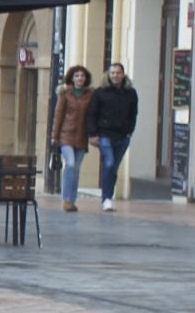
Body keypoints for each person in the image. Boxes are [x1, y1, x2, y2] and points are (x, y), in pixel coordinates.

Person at [87, 62, 137, 212]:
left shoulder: (131, 93)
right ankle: (106, 199)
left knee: (114, 167)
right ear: (108, 75)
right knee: (109, 163)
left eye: (118, 72)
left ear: (123, 74)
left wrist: (130, 131)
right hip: (104, 134)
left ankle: (108, 196)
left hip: (123, 135)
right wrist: (92, 133)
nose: (115, 75)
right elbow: (92, 114)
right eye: (113, 72)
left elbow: (134, 113)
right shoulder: (100, 92)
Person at [50, 66, 95, 212]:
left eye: (82, 76)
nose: (80, 78)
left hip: (82, 136)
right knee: (70, 164)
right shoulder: (65, 94)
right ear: (72, 78)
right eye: (77, 76)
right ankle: (67, 199)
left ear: (86, 78)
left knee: (76, 169)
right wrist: (54, 136)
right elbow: (58, 115)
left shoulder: (90, 95)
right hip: (66, 135)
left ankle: (72, 199)